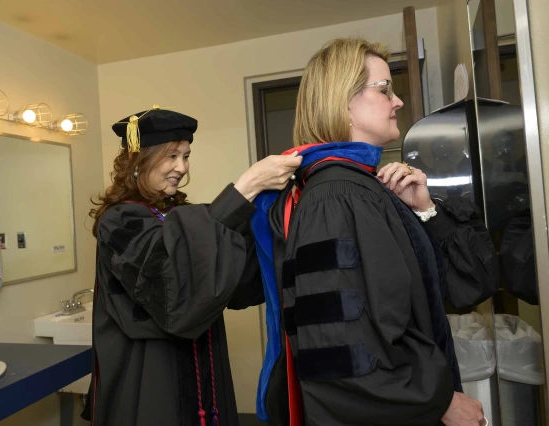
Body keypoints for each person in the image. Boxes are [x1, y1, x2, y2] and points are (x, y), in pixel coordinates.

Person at [252, 38, 498, 426]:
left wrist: (427, 210)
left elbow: (466, 286)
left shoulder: (369, 189)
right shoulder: (336, 196)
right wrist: (439, 402)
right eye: (384, 89)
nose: (397, 101)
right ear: (343, 102)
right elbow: (342, 350)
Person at [85, 105, 301, 426]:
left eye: (186, 156)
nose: (182, 167)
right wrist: (244, 189)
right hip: (150, 378)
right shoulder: (120, 220)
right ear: (137, 160)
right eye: (171, 156)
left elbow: (226, 278)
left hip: (203, 370)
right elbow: (171, 286)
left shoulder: (175, 215)